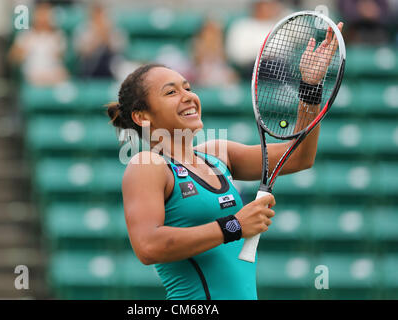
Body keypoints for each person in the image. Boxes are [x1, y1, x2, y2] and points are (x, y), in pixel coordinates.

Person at [105, 21, 342, 299]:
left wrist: (310, 86)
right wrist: (234, 226)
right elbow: (148, 246)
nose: (189, 97)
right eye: (171, 92)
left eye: (187, 87)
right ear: (142, 116)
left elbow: (300, 156)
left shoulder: (218, 154)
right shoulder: (147, 166)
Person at [8, 2, 69, 86]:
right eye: (40, 14)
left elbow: (63, 58)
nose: (43, 18)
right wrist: (23, 50)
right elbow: (13, 58)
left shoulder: (58, 36)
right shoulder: (26, 35)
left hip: (54, 74)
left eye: (46, 14)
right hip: (33, 74)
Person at [225, 0, 286, 78]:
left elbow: (282, 51)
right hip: (248, 69)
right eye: (263, 5)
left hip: (275, 69)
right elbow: (236, 53)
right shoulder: (241, 25)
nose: (266, 9)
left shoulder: (279, 27)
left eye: (269, 5)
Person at [73, 4, 125, 79]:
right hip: (90, 66)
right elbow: (82, 52)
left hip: (109, 65)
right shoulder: (83, 29)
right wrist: (97, 38)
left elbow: (119, 49)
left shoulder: (113, 29)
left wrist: (106, 36)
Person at [188, 19, 239, 87]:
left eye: (215, 32)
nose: (212, 36)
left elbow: (226, 69)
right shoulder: (196, 46)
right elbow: (196, 67)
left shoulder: (222, 48)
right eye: (209, 32)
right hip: (201, 81)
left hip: (220, 80)